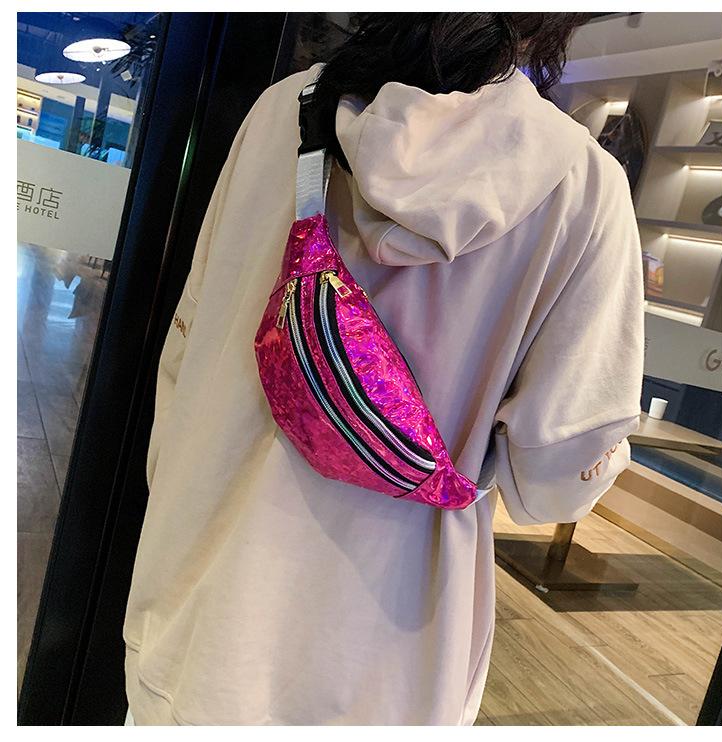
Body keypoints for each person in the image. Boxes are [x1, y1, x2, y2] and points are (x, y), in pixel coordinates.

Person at [123, 13, 645, 725]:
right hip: (388, 655)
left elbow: (188, 346)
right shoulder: (584, 188)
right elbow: (550, 485)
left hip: (196, 615)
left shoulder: (284, 111)